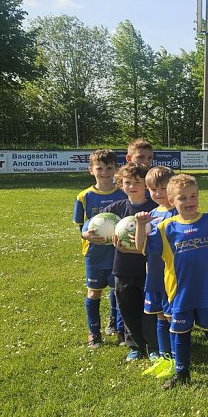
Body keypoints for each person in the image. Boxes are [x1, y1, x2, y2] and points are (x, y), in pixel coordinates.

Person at [137, 174, 208, 390]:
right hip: (179, 294)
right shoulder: (166, 227)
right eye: (183, 198)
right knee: (180, 335)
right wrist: (141, 226)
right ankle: (182, 373)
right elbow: (142, 248)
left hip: (207, 292)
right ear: (171, 201)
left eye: (193, 196)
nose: (189, 202)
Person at [102, 163, 158, 361]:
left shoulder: (154, 209)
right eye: (127, 182)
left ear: (146, 185)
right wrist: (88, 235)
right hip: (122, 268)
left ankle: (153, 346)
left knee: (148, 309)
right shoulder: (116, 209)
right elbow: (95, 226)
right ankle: (135, 345)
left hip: (148, 268)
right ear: (120, 184)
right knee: (127, 308)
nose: (132, 186)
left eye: (137, 182)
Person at [74, 149, 127, 349]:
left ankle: (120, 331)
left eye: (109, 168)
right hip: (94, 254)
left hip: (117, 253)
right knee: (93, 292)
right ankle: (94, 333)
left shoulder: (122, 193)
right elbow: (81, 227)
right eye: (100, 168)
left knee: (119, 291)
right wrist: (85, 235)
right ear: (91, 170)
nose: (105, 172)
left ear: (116, 170)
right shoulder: (84, 196)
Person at [139, 166, 178, 380]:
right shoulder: (151, 215)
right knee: (160, 316)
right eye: (153, 189)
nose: (158, 193)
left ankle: (176, 357)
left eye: (163, 188)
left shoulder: (179, 212)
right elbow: (143, 246)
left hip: (172, 275)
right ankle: (165, 358)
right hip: (154, 273)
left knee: (172, 317)